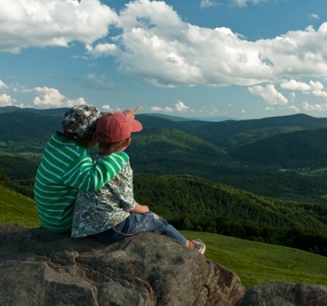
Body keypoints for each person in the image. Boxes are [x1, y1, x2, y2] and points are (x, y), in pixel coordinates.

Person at [71, 111, 206, 254]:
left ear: (97, 137)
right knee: (157, 221)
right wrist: (145, 209)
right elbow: (129, 204)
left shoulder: (93, 162)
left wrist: (123, 118)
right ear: (128, 142)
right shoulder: (121, 164)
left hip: (85, 227)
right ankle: (191, 248)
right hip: (110, 229)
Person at [34, 105, 131, 233]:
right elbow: (93, 181)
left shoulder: (55, 142)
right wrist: (118, 155)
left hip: (50, 217)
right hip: (63, 223)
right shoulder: (76, 156)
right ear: (96, 135)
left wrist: (122, 119)